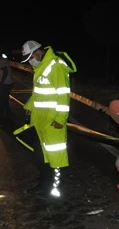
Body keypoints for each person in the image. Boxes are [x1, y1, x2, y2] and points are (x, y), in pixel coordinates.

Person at [19, 40, 77, 200]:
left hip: (53, 121)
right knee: (41, 156)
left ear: (38, 52)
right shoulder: (41, 67)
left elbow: (63, 93)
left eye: (30, 57)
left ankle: (55, 190)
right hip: (40, 121)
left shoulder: (56, 65)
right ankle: (43, 185)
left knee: (55, 157)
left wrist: (60, 118)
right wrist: (29, 105)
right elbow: (40, 92)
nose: (30, 62)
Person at [0, 49, 15, 123]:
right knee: (5, 100)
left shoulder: (1, 61)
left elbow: (5, 71)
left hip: (5, 83)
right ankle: (9, 114)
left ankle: (1, 117)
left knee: (0, 100)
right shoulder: (3, 60)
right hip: (8, 83)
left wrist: (1, 82)